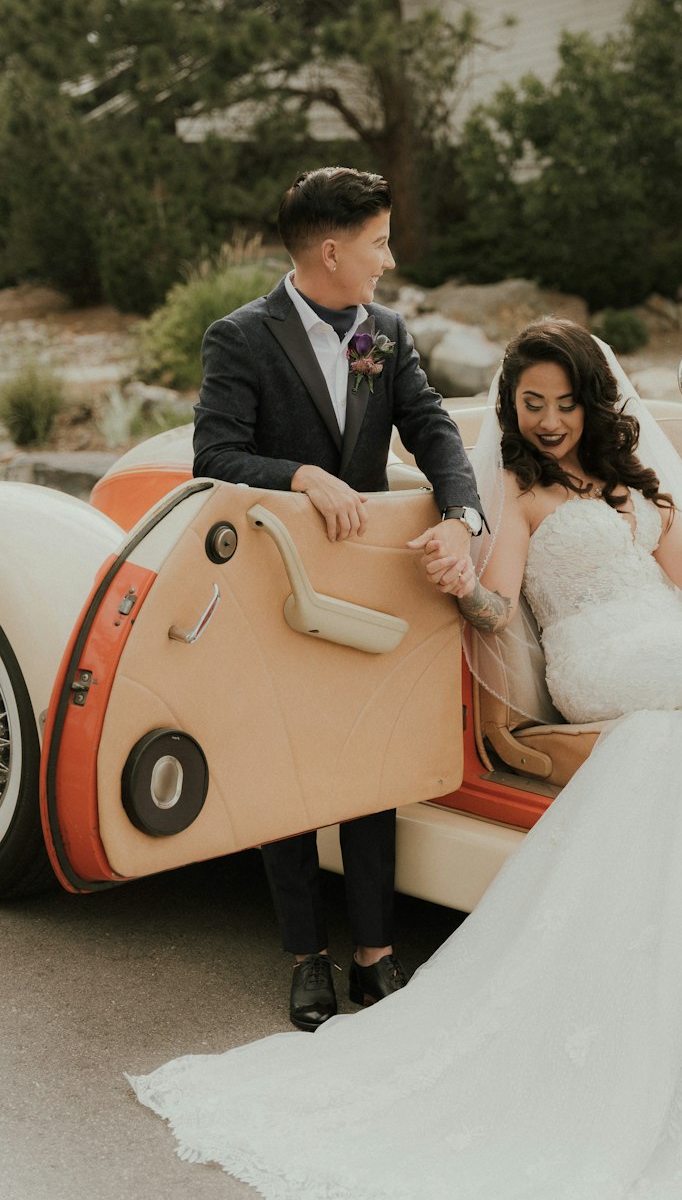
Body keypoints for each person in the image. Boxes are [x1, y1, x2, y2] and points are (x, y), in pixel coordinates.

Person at [132, 319, 682, 1200]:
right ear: (513, 409)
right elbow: (498, 605)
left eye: (564, 404)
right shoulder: (520, 483)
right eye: (530, 403)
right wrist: (464, 582)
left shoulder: (631, 481)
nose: (547, 421)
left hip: (668, 638)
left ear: (593, 402)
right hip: (597, 657)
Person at [191, 165, 485, 1032]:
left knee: (369, 765)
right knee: (288, 766)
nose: (388, 260)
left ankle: (375, 952)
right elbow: (213, 456)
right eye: (379, 243)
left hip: (364, 585)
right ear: (331, 249)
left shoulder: (384, 333)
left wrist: (464, 517)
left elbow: (433, 430)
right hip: (276, 581)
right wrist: (302, 473)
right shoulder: (239, 337)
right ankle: (304, 957)